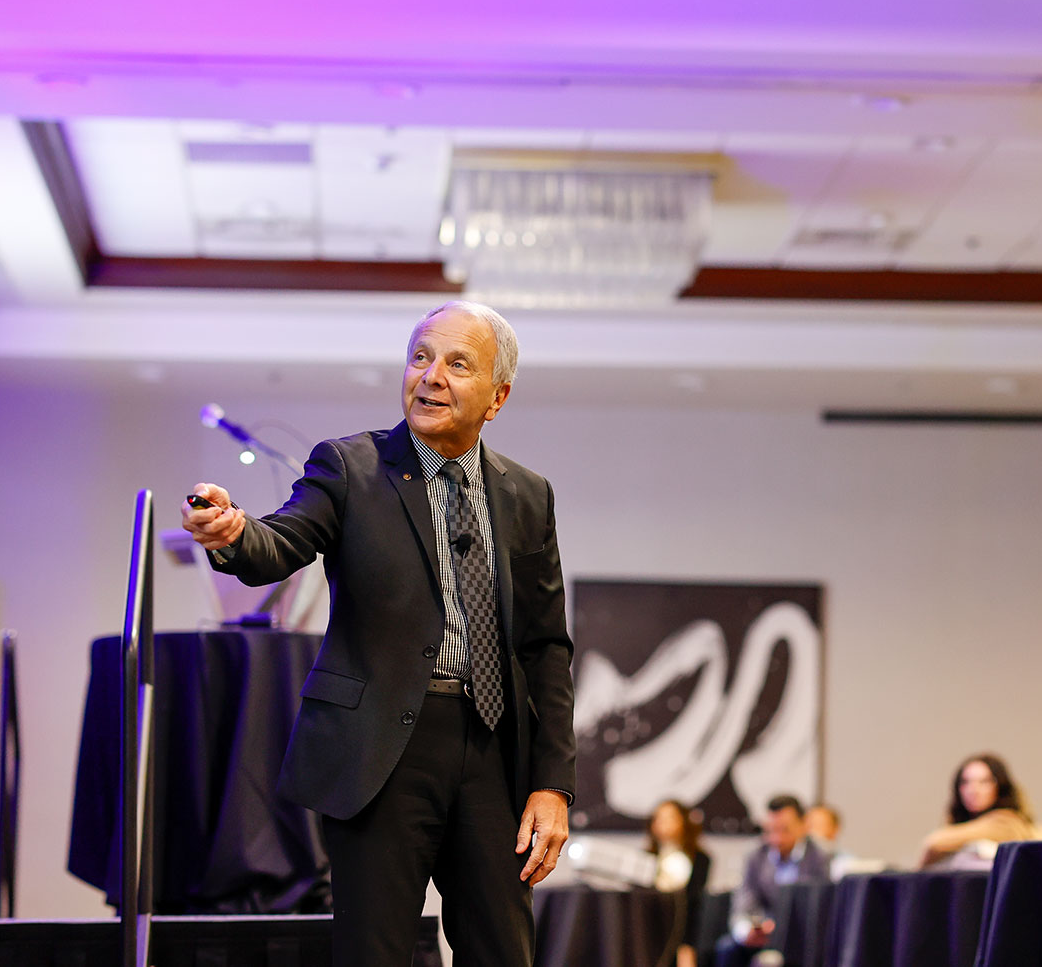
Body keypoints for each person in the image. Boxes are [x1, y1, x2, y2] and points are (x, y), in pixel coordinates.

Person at [180, 300, 575, 967]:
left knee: (505, 952)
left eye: (457, 364)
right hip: (381, 753)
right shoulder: (350, 466)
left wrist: (553, 783)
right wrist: (235, 534)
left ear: (497, 396)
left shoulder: (528, 495)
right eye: (420, 356)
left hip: (493, 754)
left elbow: (546, 648)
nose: (431, 376)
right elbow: (280, 541)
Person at [716, 795, 832, 967]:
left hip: (803, 938)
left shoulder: (820, 857)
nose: (776, 838)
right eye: (771, 830)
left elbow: (823, 908)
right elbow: (743, 903)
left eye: (784, 830)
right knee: (727, 948)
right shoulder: (756, 856)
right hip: (764, 935)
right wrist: (747, 930)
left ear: (803, 825)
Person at [919, 752, 1036, 867]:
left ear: (1000, 786)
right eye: (965, 782)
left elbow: (934, 842)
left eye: (984, 782)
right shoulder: (958, 824)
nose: (973, 790)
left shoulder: (1007, 823)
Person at [647, 800, 712, 967]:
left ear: (683, 821)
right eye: (659, 819)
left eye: (669, 818)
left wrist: (687, 946)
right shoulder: (647, 858)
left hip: (684, 933)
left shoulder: (699, 859)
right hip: (651, 931)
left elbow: (693, 904)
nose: (663, 824)